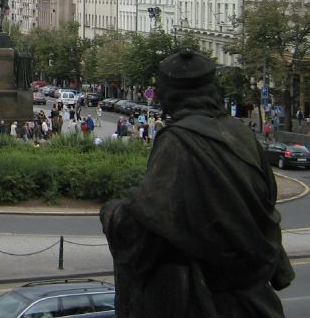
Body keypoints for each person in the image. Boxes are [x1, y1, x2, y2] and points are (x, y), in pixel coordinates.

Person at [101, 48, 294, 317]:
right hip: (257, 299)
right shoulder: (241, 133)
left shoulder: (177, 140)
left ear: (172, 94)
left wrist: (113, 215)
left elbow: (150, 221)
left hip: (210, 300)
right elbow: (265, 201)